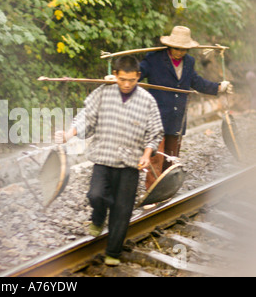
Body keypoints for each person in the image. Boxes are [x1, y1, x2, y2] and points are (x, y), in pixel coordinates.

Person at [55, 56, 163, 266]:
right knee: (96, 195)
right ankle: (98, 217)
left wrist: (146, 154)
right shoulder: (103, 93)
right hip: (104, 158)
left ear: (138, 77)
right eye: (122, 79)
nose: (126, 84)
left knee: (122, 210)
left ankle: (113, 252)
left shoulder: (147, 101)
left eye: (131, 80)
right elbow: (86, 117)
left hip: (130, 163)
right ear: (115, 75)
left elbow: (155, 132)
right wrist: (69, 134)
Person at [139, 26, 233, 188]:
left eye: (184, 49)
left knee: (171, 157)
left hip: (177, 117)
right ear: (169, 46)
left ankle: (166, 190)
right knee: (156, 157)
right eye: (177, 48)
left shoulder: (189, 62)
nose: (180, 52)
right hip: (156, 118)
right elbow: (136, 74)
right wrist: (118, 77)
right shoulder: (154, 59)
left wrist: (219, 87)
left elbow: (197, 82)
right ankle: (152, 192)